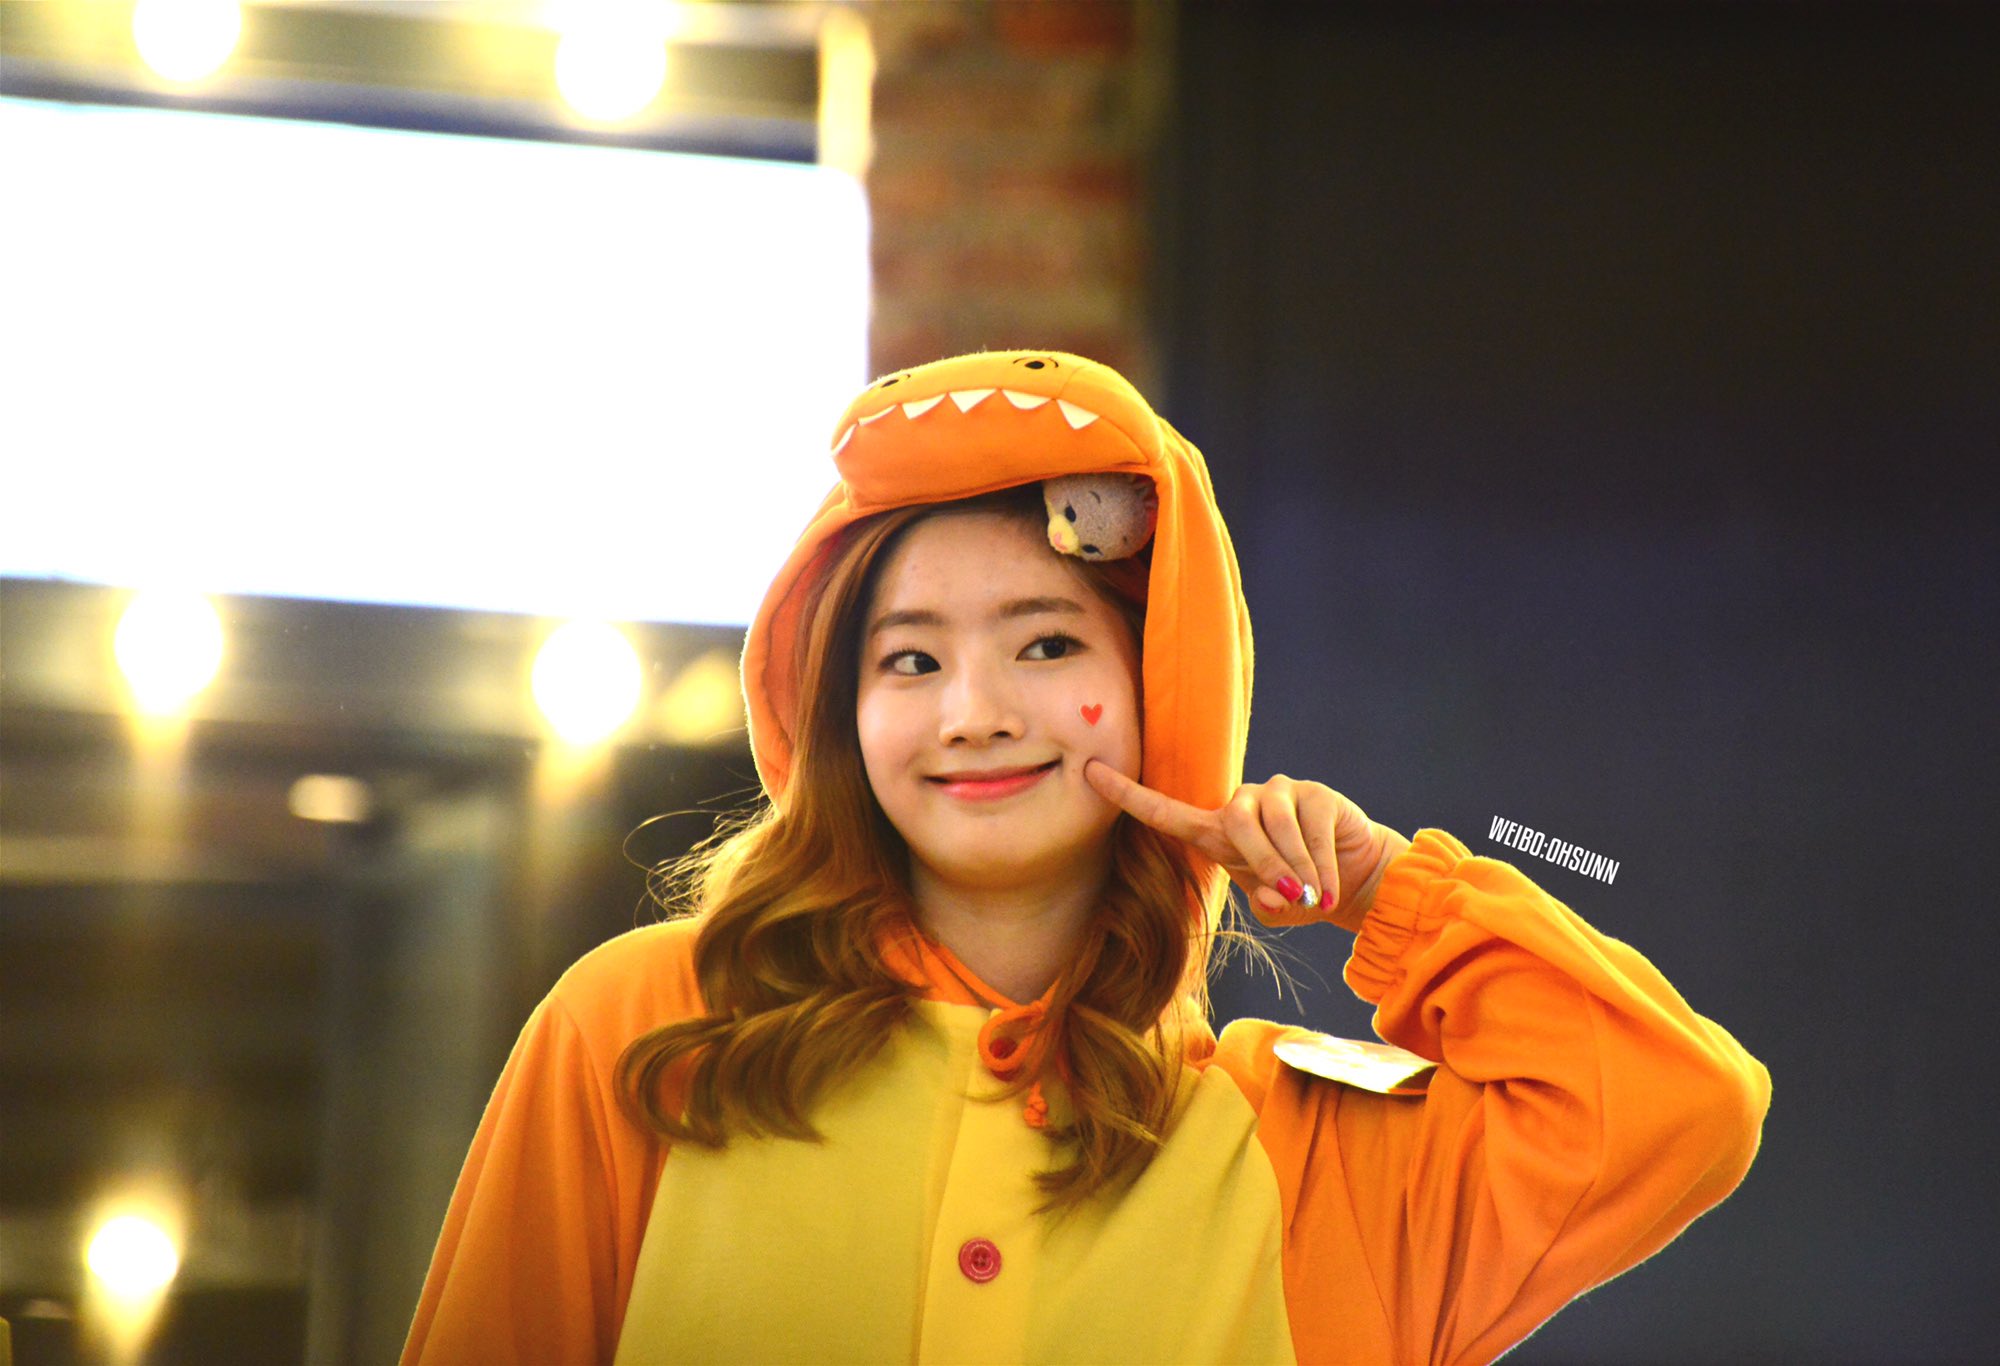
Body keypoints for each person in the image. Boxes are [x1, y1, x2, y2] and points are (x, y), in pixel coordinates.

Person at [400, 350, 1770, 1365]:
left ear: (1158, 687)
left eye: (1048, 643)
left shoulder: (1306, 1155)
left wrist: (1384, 892)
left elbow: (1681, 1108)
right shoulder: (648, 1028)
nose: (974, 711)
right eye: (910, 659)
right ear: (840, 714)